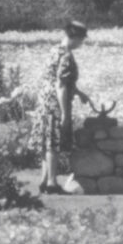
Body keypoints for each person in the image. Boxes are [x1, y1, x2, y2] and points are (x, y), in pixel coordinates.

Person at [37, 19, 99, 194]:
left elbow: (60, 79)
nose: (81, 44)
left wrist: (79, 93)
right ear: (74, 38)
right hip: (55, 102)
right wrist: (64, 112)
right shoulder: (66, 55)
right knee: (53, 144)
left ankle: (44, 180)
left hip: (44, 100)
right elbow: (61, 85)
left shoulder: (54, 50)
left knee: (46, 142)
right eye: (81, 40)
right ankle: (51, 183)